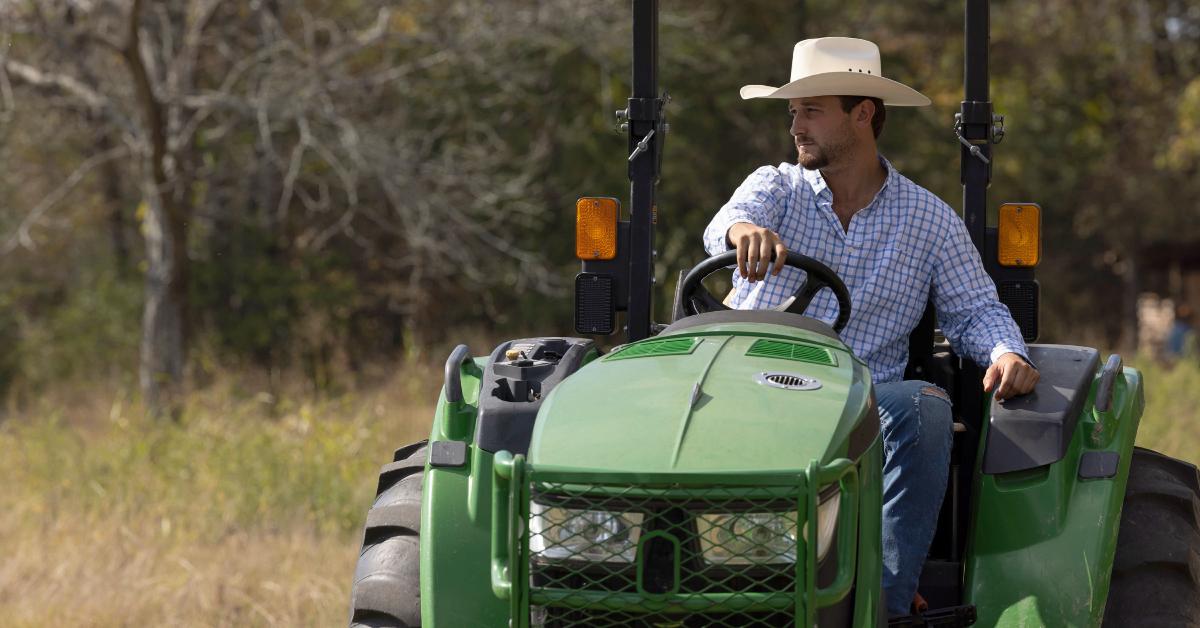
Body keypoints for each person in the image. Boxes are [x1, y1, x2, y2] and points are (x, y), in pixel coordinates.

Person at [703, 37, 1040, 616]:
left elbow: (975, 310)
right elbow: (729, 223)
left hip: (859, 406)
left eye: (812, 110)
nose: (796, 126)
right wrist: (743, 236)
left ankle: (880, 606)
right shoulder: (777, 188)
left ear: (862, 115)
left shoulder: (930, 220)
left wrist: (1007, 352)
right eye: (793, 112)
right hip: (751, 382)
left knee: (924, 406)